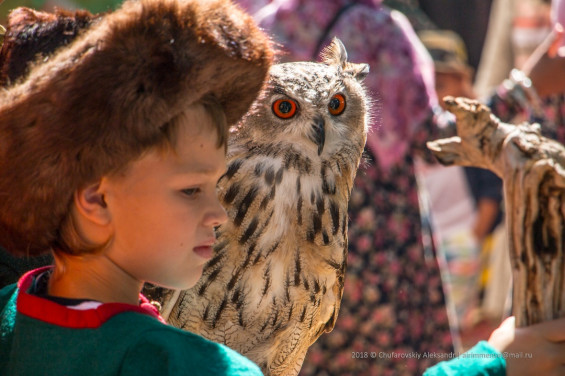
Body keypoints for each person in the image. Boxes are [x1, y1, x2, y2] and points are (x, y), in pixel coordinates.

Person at [0, 0, 273, 374]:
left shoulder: (10, 314)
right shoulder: (197, 368)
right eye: (191, 190)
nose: (219, 214)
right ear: (97, 200)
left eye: (215, 185)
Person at [417, 29, 504, 338]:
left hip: (460, 240)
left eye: (441, 85)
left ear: (463, 83)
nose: (435, 94)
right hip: (426, 241)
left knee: (451, 327)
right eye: (428, 85)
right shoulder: (417, 124)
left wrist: (474, 236)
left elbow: (491, 189)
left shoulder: (473, 127)